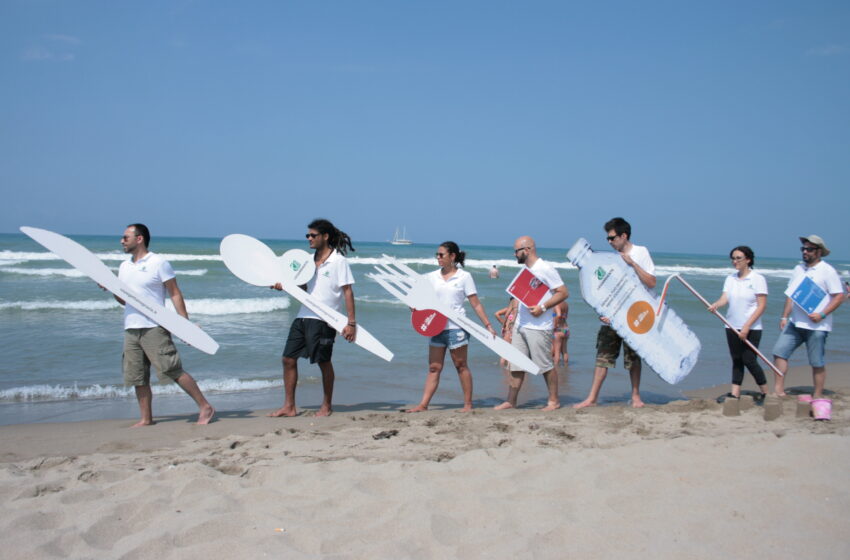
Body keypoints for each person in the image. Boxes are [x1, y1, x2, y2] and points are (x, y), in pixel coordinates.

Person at [115, 223, 215, 427]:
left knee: (172, 369)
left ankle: (205, 406)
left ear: (139, 238)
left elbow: (175, 292)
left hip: (154, 326)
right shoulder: (124, 266)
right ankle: (146, 418)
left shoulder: (158, 263)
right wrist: (112, 290)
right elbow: (123, 299)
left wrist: (184, 325)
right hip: (131, 327)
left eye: (125, 237)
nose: (122, 241)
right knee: (137, 376)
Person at [270, 219, 357, 417]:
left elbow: (348, 292)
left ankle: (326, 405)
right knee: (287, 359)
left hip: (325, 320)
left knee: (323, 361)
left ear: (325, 236)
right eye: (307, 235)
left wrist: (350, 323)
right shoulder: (307, 261)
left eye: (313, 235)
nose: (309, 238)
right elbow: (303, 288)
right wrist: (282, 285)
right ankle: (289, 406)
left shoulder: (339, 261)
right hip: (303, 316)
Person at [406, 242, 497, 413]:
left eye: (441, 255)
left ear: (452, 256)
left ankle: (468, 404)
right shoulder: (431, 277)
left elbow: (476, 304)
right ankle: (423, 405)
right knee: (434, 367)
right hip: (435, 327)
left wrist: (488, 325)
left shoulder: (464, 277)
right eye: (437, 255)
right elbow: (416, 299)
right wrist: (415, 308)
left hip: (457, 327)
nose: (438, 258)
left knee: (461, 365)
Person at [574, 217, 655, 409]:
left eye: (612, 238)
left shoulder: (640, 252)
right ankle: (592, 398)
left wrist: (633, 264)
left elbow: (651, 282)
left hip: (634, 316)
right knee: (603, 357)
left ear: (624, 235)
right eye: (608, 239)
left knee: (633, 359)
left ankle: (636, 396)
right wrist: (600, 312)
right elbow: (603, 290)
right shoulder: (608, 259)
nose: (609, 242)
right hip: (610, 318)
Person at [495, 236, 568, 411]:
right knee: (516, 364)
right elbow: (517, 297)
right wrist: (511, 323)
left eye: (516, 251)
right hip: (521, 325)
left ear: (527, 250)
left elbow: (563, 292)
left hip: (539, 327)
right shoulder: (525, 270)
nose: (514, 254)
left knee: (545, 365)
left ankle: (553, 401)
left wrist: (543, 307)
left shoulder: (545, 268)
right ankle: (511, 401)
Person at [772, 235, 844, 398]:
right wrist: (784, 317)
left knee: (816, 361)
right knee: (779, 352)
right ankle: (779, 390)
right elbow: (791, 294)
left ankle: (817, 395)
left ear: (819, 252)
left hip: (817, 326)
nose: (805, 252)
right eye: (803, 249)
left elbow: (838, 296)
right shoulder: (798, 269)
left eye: (809, 249)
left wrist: (822, 314)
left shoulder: (827, 271)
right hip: (795, 323)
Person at [707, 246, 769, 400]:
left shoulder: (757, 279)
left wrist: (747, 327)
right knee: (736, 359)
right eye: (733, 258)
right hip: (731, 325)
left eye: (738, 258)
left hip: (751, 327)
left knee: (749, 360)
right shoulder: (730, 278)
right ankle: (735, 393)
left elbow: (761, 306)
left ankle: (766, 392)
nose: (735, 261)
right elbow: (725, 298)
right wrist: (716, 304)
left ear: (748, 259)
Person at [494, 298, 518, 368]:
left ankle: (505, 369)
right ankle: (504, 369)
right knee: (509, 353)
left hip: (507, 331)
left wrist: (504, 324)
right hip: (510, 331)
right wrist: (504, 324)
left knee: (506, 352)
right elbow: (496, 314)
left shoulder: (509, 310)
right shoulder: (515, 311)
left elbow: (497, 314)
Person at [552, 300, 570, 366]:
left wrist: (555, 325)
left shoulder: (556, 303)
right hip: (565, 329)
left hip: (558, 329)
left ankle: (556, 368)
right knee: (564, 351)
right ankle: (566, 367)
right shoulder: (566, 304)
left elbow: (559, 315)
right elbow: (565, 316)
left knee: (557, 352)